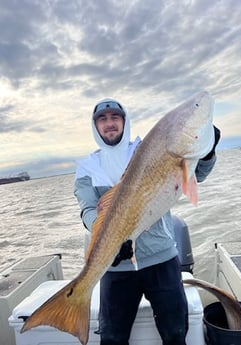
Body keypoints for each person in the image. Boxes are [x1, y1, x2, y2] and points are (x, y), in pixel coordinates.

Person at [74, 98, 220, 345]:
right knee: (112, 338)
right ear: (95, 126)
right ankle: (74, 302)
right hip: (115, 266)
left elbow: (198, 175)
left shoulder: (149, 148)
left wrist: (208, 153)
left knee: (175, 333)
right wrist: (110, 236)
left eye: (115, 117)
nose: (110, 124)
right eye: (103, 119)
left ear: (124, 121)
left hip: (161, 258)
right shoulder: (87, 168)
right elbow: (88, 210)